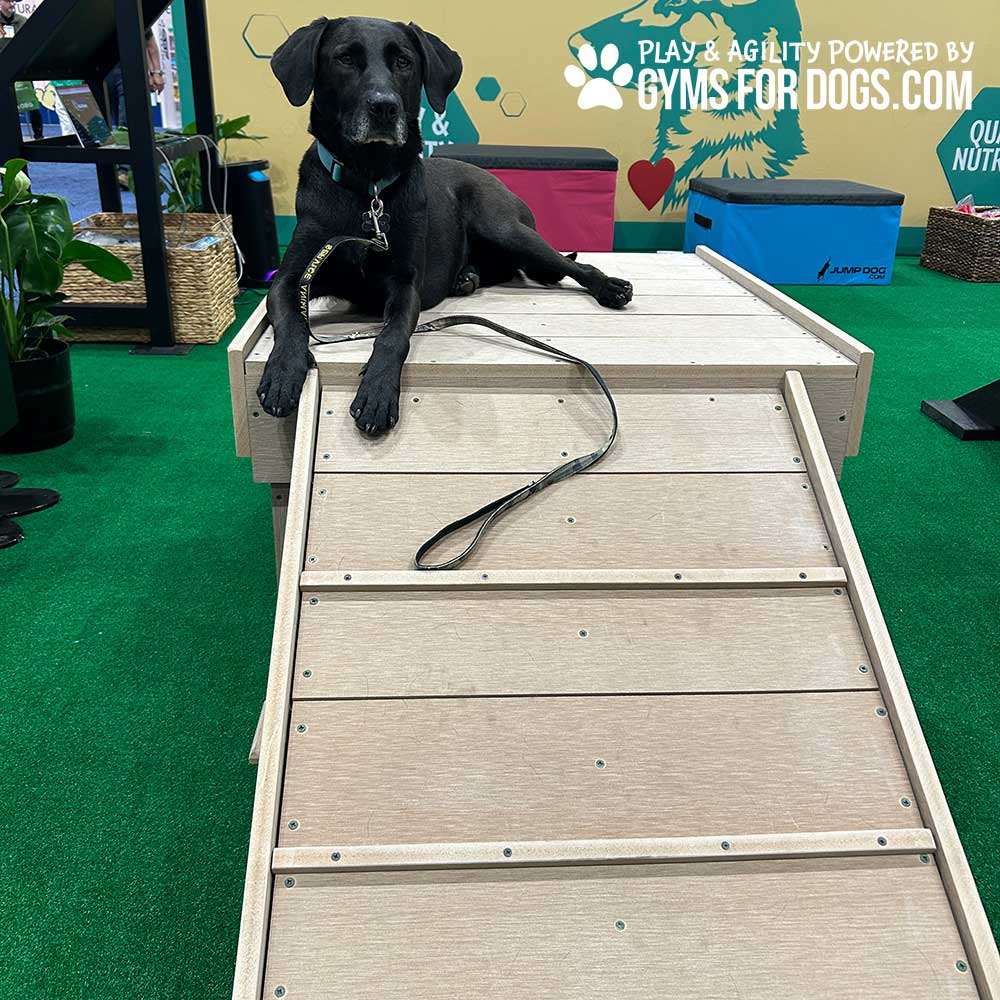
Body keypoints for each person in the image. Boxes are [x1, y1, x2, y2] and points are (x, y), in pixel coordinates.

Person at [0, 0, 43, 140]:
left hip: (21, 69)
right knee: (7, 106)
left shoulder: (22, 21)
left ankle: (39, 136)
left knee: (32, 104)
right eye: (8, 1)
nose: (12, 3)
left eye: (13, 1)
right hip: (2, 71)